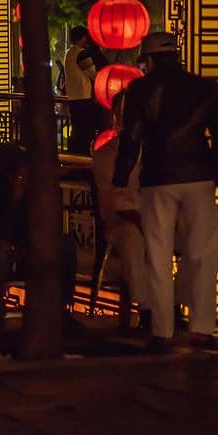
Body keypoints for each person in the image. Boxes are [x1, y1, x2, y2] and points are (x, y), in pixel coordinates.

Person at [113, 31, 218, 348]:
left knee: (158, 254)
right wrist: (216, 172)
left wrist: (120, 176)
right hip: (198, 176)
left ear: (148, 60)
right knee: (202, 252)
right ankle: (202, 327)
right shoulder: (204, 87)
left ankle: (162, 330)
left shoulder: (139, 89)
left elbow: (132, 137)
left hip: (158, 177)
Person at [0, 142, 81, 354]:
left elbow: (41, 226)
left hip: (27, 250)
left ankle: (61, 310)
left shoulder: (33, 193)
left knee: (65, 244)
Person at [91, 91, 150, 328]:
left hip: (152, 215)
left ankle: (175, 301)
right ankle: (147, 309)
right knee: (133, 241)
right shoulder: (105, 154)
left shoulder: (152, 150)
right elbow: (113, 198)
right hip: (122, 221)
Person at [62, 26, 106, 155]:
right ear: (83, 37)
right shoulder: (81, 54)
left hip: (73, 99)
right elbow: (94, 75)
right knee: (85, 133)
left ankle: (74, 158)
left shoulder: (69, 53)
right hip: (84, 99)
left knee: (77, 132)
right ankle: (81, 160)